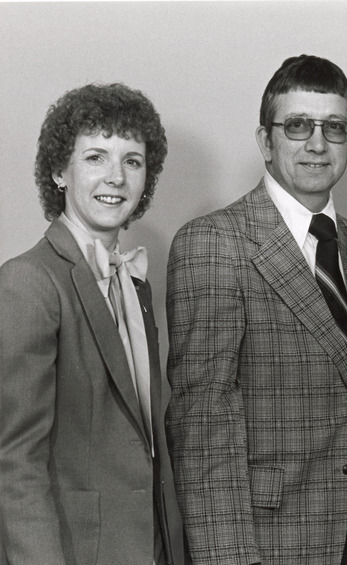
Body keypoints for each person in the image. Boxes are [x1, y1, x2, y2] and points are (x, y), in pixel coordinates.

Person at [165, 54, 347, 565]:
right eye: (297, 126)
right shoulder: (214, 243)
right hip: (267, 544)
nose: (317, 143)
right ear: (265, 141)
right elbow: (201, 425)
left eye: (334, 127)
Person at [0, 83, 184, 565]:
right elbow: (14, 464)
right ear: (59, 171)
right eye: (96, 157)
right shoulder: (29, 281)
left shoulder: (135, 283)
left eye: (132, 161)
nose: (116, 177)